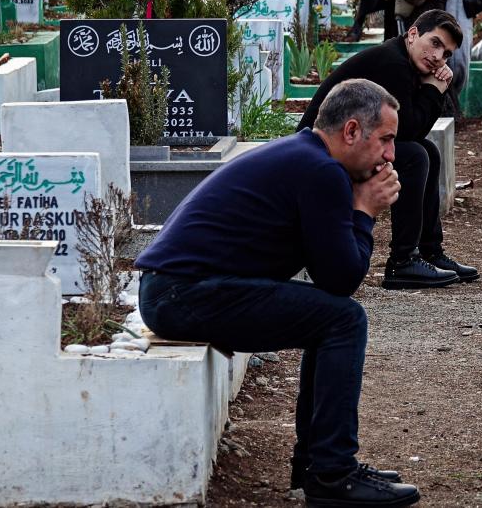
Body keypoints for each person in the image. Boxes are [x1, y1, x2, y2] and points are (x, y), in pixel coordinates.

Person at [136, 79, 421, 508]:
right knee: (343, 319)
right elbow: (341, 279)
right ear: (350, 131)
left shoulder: (307, 158)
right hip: (181, 294)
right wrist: (364, 212)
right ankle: (331, 474)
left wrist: (357, 209)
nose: (391, 155)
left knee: (330, 319)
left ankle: (318, 465)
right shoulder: (320, 170)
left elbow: (330, 277)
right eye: (385, 139)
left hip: (177, 289)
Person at [298, 9, 479, 290]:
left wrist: (432, 88)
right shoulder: (392, 63)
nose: (437, 57)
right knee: (415, 156)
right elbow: (407, 130)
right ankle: (403, 261)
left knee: (426, 151)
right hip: (318, 154)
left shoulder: (404, 61)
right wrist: (433, 90)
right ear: (413, 34)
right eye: (435, 43)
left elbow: (411, 132)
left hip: (342, 146)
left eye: (445, 54)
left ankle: (431, 252)